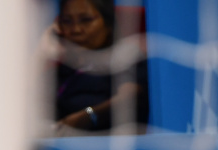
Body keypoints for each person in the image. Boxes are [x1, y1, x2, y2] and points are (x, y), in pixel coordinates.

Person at [52, 0, 148, 133]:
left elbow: (130, 96)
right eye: (67, 21)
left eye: (86, 20)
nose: (76, 29)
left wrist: (88, 116)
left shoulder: (125, 58)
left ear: (108, 24)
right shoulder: (61, 70)